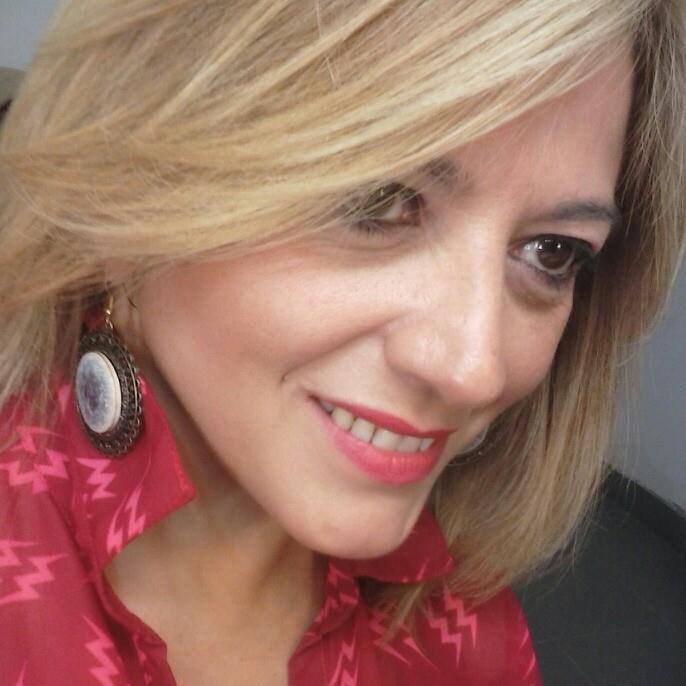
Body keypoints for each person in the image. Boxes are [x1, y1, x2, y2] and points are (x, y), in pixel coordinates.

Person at [0, 1, 684, 684]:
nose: (475, 368)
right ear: (126, 175)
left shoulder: (462, 639)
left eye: (551, 252)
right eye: (378, 201)